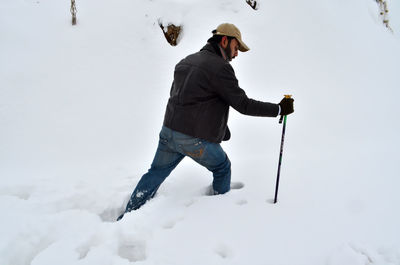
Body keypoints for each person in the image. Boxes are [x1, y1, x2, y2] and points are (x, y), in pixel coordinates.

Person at [117, 23, 294, 221]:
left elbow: (193, 100)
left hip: (168, 131)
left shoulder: (186, 61)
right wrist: (279, 108)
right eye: (236, 48)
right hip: (193, 138)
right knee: (222, 167)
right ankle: (217, 217)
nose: (236, 54)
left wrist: (219, 128)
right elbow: (243, 104)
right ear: (224, 40)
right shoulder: (221, 68)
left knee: (156, 173)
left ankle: (127, 216)